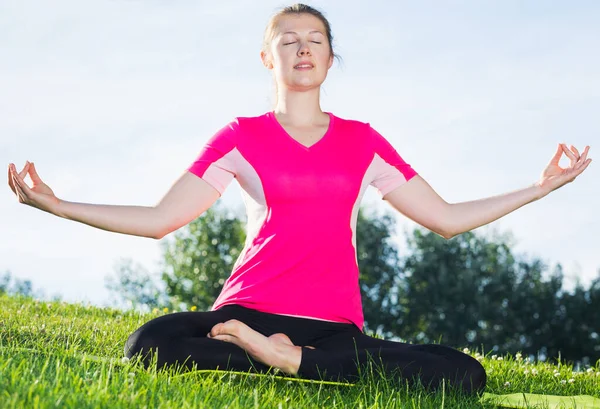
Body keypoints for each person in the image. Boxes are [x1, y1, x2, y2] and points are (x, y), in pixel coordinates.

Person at [7, 3, 592, 397]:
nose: (303, 49)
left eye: (315, 41)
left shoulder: (363, 142)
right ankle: (282, 355)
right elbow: (163, 220)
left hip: (333, 326)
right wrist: (58, 205)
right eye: (288, 41)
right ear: (269, 59)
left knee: (465, 374)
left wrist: (542, 189)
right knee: (149, 344)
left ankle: (288, 361)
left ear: (332, 59)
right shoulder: (240, 135)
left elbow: (444, 219)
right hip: (246, 313)